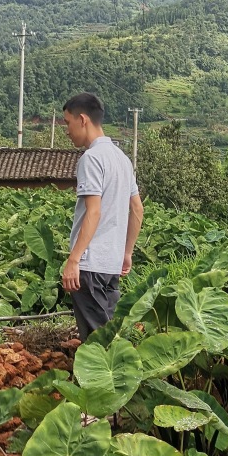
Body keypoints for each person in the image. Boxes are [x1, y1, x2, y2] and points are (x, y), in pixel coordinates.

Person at [61, 92, 144, 341]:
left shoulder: (91, 159)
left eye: (67, 123)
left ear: (83, 119)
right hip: (111, 266)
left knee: (99, 344)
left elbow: (93, 211)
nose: (67, 131)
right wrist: (126, 252)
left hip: (90, 265)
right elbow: (137, 209)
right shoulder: (122, 159)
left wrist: (74, 260)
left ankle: (105, 380)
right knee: (111, 335)